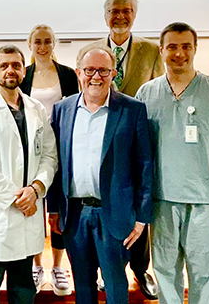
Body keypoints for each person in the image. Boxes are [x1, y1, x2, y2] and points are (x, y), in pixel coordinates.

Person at [136, 22, 209, 304]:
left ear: (196, 49)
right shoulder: (146, 94)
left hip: (204, 201)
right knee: (165, 274)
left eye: (186, 46)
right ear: (161, 50)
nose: (179, 53)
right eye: (172, 46)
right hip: (162, 201)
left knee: (205, 274)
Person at [48, 46, 153, 304]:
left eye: (103, 70)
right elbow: (54, 163)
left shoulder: (132, 110)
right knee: (83, 286)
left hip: (115, 215)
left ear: (113, 73)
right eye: (89, 70)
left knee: (116, 286)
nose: (96, 76)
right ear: (78, 73)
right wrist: (53, 210)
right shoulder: (62, 110)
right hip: (75, 215)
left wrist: (141, 218)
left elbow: (145, 165)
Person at [86, 0, 164, 298]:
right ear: (105, 15)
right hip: (103, 140)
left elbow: (157, 92)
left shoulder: (150, 50)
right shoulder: (93, 51)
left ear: (135, 15)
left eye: (127, 11)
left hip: (136, 137)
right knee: (105, 208)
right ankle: (105, 270)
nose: (120, 16)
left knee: (136, 208)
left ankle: (140, 270)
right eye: (114, 11)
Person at [0, 45, 58, 304]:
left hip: (28, 215)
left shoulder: (36, 109)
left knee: (23, 289)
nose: (11, 70)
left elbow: (50, 156)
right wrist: (17, 197)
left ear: (23, 70)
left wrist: (35, 189)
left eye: (16, 65)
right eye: (4, 66)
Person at [20, 24, 78, 296]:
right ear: (30, 44)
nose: (42, 46)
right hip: (31, 151)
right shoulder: (24, 75)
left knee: (58, 210)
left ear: (54, 43)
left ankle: (57, 266)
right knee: (33, 208)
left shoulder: (67, 74)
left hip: (61, 149)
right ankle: (36, 265)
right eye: (37, 42)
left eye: (47, 41)